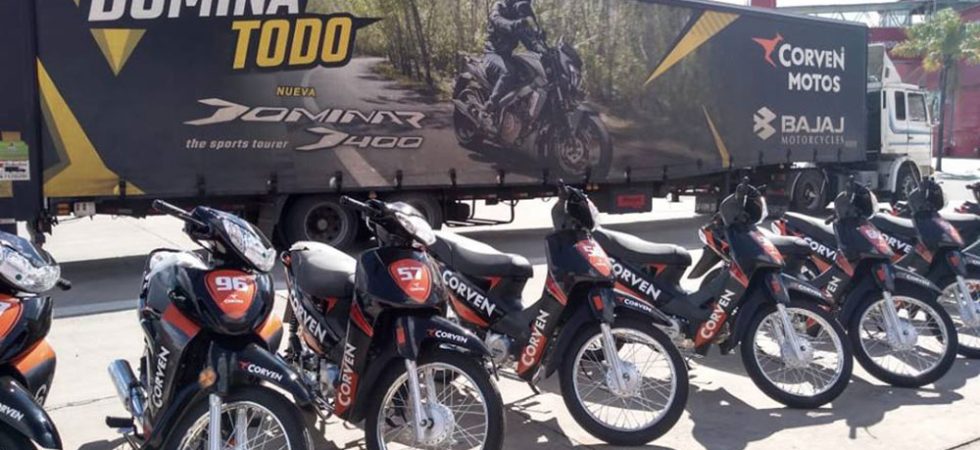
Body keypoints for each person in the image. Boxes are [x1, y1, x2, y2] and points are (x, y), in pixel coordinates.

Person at [483, 0, 543, 129]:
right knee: (508, 72)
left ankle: (516, 111)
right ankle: (490, 107)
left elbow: (528, 41)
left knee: (526, 73)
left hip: (507, 56)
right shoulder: (500, 6)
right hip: (492, 54)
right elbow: (499, 22)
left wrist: (542, 47)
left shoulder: (518, 14)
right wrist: (518, 23)